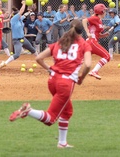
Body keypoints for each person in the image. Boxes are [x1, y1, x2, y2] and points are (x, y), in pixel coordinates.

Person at [9, 20, 92, 149]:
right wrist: (82, 77)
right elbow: (87, 64)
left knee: (67, 111)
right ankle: (28, 111)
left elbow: (38, 58)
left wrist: (49, 69)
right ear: (81, 33)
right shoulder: (84, 44)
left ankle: (62, 143)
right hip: (66, 83)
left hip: (52, 80)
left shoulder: (60, 42)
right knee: (51, 119)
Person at [0, 1, 37, 69]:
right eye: (19, 15)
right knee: (17, 55)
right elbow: (21, 12)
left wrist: (30, 10)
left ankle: (40, 60)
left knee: (32, 49)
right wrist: (24, 4)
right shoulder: (13, 20)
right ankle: (5, 63)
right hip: (17, 41)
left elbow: (25, 14)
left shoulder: (19, 19)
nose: (21, 16)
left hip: (23, 39)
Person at [82, 4, 111, 79]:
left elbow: (97, 34)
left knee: (80, 60)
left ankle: (62, 68)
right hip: (92, 42)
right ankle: (94, 71)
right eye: (104, 10)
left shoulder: (99, 20)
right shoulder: (95, 18)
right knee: (107, 56)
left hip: (91, 42)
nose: (105, 12)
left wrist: (103, 35)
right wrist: (87, 32)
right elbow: (84, 21)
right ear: (100, 11)